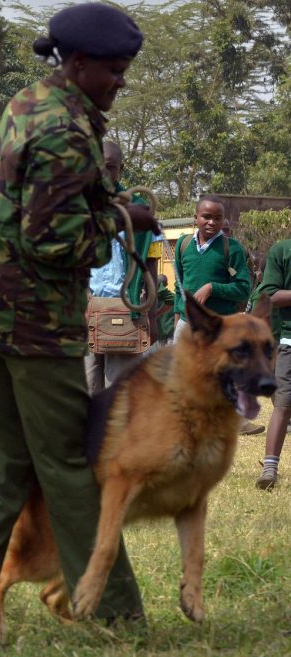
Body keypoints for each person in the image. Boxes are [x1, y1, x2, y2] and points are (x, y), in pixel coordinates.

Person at [0, 4, 153, 649]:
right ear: (78, 64)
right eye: (114, 70)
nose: (121, 81)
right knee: (68, 464)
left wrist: (102, 197)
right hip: (31, 326)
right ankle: (113, 610)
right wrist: (120, 219)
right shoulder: (68, 132)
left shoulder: (27, 102)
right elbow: (52, 239)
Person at [172, 195, 256, 434]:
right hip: (187, 324)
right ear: (196, 218)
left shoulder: (233, 249)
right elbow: (179, 284)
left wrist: (212, 287)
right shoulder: (183, 244)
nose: (212, 222)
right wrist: (179, 316)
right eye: (206, 217)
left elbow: (243, 288)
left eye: (218, 218)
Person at [84, 141, 162, 393]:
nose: (103, 173)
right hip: (84, 310)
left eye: (110, 167)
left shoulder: (138, 207)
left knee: (118, 394)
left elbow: (151, 261)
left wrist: (150, 311)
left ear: (121, 169)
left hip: (125, 309)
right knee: (85, 393)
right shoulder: (76, 208)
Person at [255, 239, 291, 489]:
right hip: (289, 341)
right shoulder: (282, 251)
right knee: (283, 403)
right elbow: (271, 293)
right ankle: (269, 468)